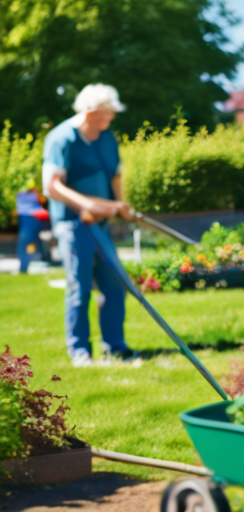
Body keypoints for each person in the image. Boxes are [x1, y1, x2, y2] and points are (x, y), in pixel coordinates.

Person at [43, 84, 136, 366]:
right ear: (88, 112)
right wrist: (86, 205)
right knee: (80, 287)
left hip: (101, 224)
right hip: (72, 224)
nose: (108, 120)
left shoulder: (107, 139)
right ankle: (80, 351)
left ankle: (115, 346)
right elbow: (52, 186)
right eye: (103, 115)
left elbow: (115, 177)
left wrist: (120, 206)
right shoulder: (61, 138)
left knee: (114, 284)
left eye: (110, 115)